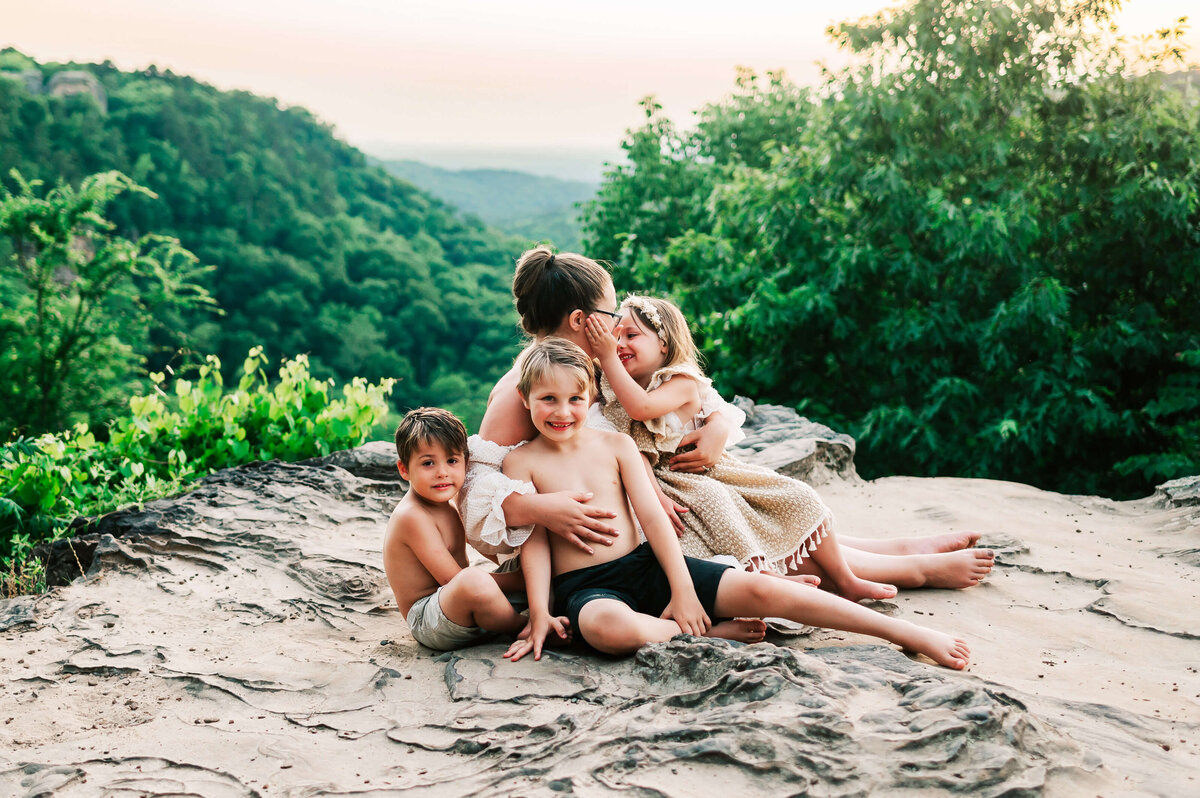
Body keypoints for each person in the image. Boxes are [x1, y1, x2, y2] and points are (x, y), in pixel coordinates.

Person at [459, 245, 986, 584]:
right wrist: (547, 509)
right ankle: (915, 569)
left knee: (748, 503)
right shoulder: (522, 391)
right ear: (580, 320)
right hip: (589, 541)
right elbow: (478, 490)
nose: (620, 322)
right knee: (721, 519)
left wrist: (714, 428)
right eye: (610, 313)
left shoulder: (589, 368)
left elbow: (676, 399)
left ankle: (901, 548)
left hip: (644, 504)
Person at [500, 339, 970, 669]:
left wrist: (682, 588)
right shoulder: (520, 463)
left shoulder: (614, 445)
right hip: (585, 589)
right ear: (526, 398)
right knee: (609, 629)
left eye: (574, 399)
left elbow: (654, 521)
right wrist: (540, 611)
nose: (562, 412)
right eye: (547, 400)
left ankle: (906, 634)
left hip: (646, 565)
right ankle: (708, 633)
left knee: (763, 591)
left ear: (590, 398)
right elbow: (535, 545)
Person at [584, 295, 995, 592]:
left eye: (630, 335)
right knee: (761, 524)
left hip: (709, 477)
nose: (618, 344)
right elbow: (630, 441)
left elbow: (658, 410)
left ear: (665, 344)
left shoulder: (669, 382)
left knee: (785, 508)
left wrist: (606, 356)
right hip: (676, 491)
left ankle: (901, 562)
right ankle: (910, 561)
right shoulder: (608, 390)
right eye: (614, 335)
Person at [382, 407, 567, 651]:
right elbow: (452, 579)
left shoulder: (447, 504)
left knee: (534, 559)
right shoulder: (412, 517)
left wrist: (520, 568)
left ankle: (549, 607)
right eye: (428, 463)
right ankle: (522, 626)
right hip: (430, 617)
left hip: (460, 602)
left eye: (452, 461)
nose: (442, 473)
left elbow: (478, 547)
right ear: (404, 469)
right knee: (474, 581)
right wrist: (516, 581)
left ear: (465, 463)